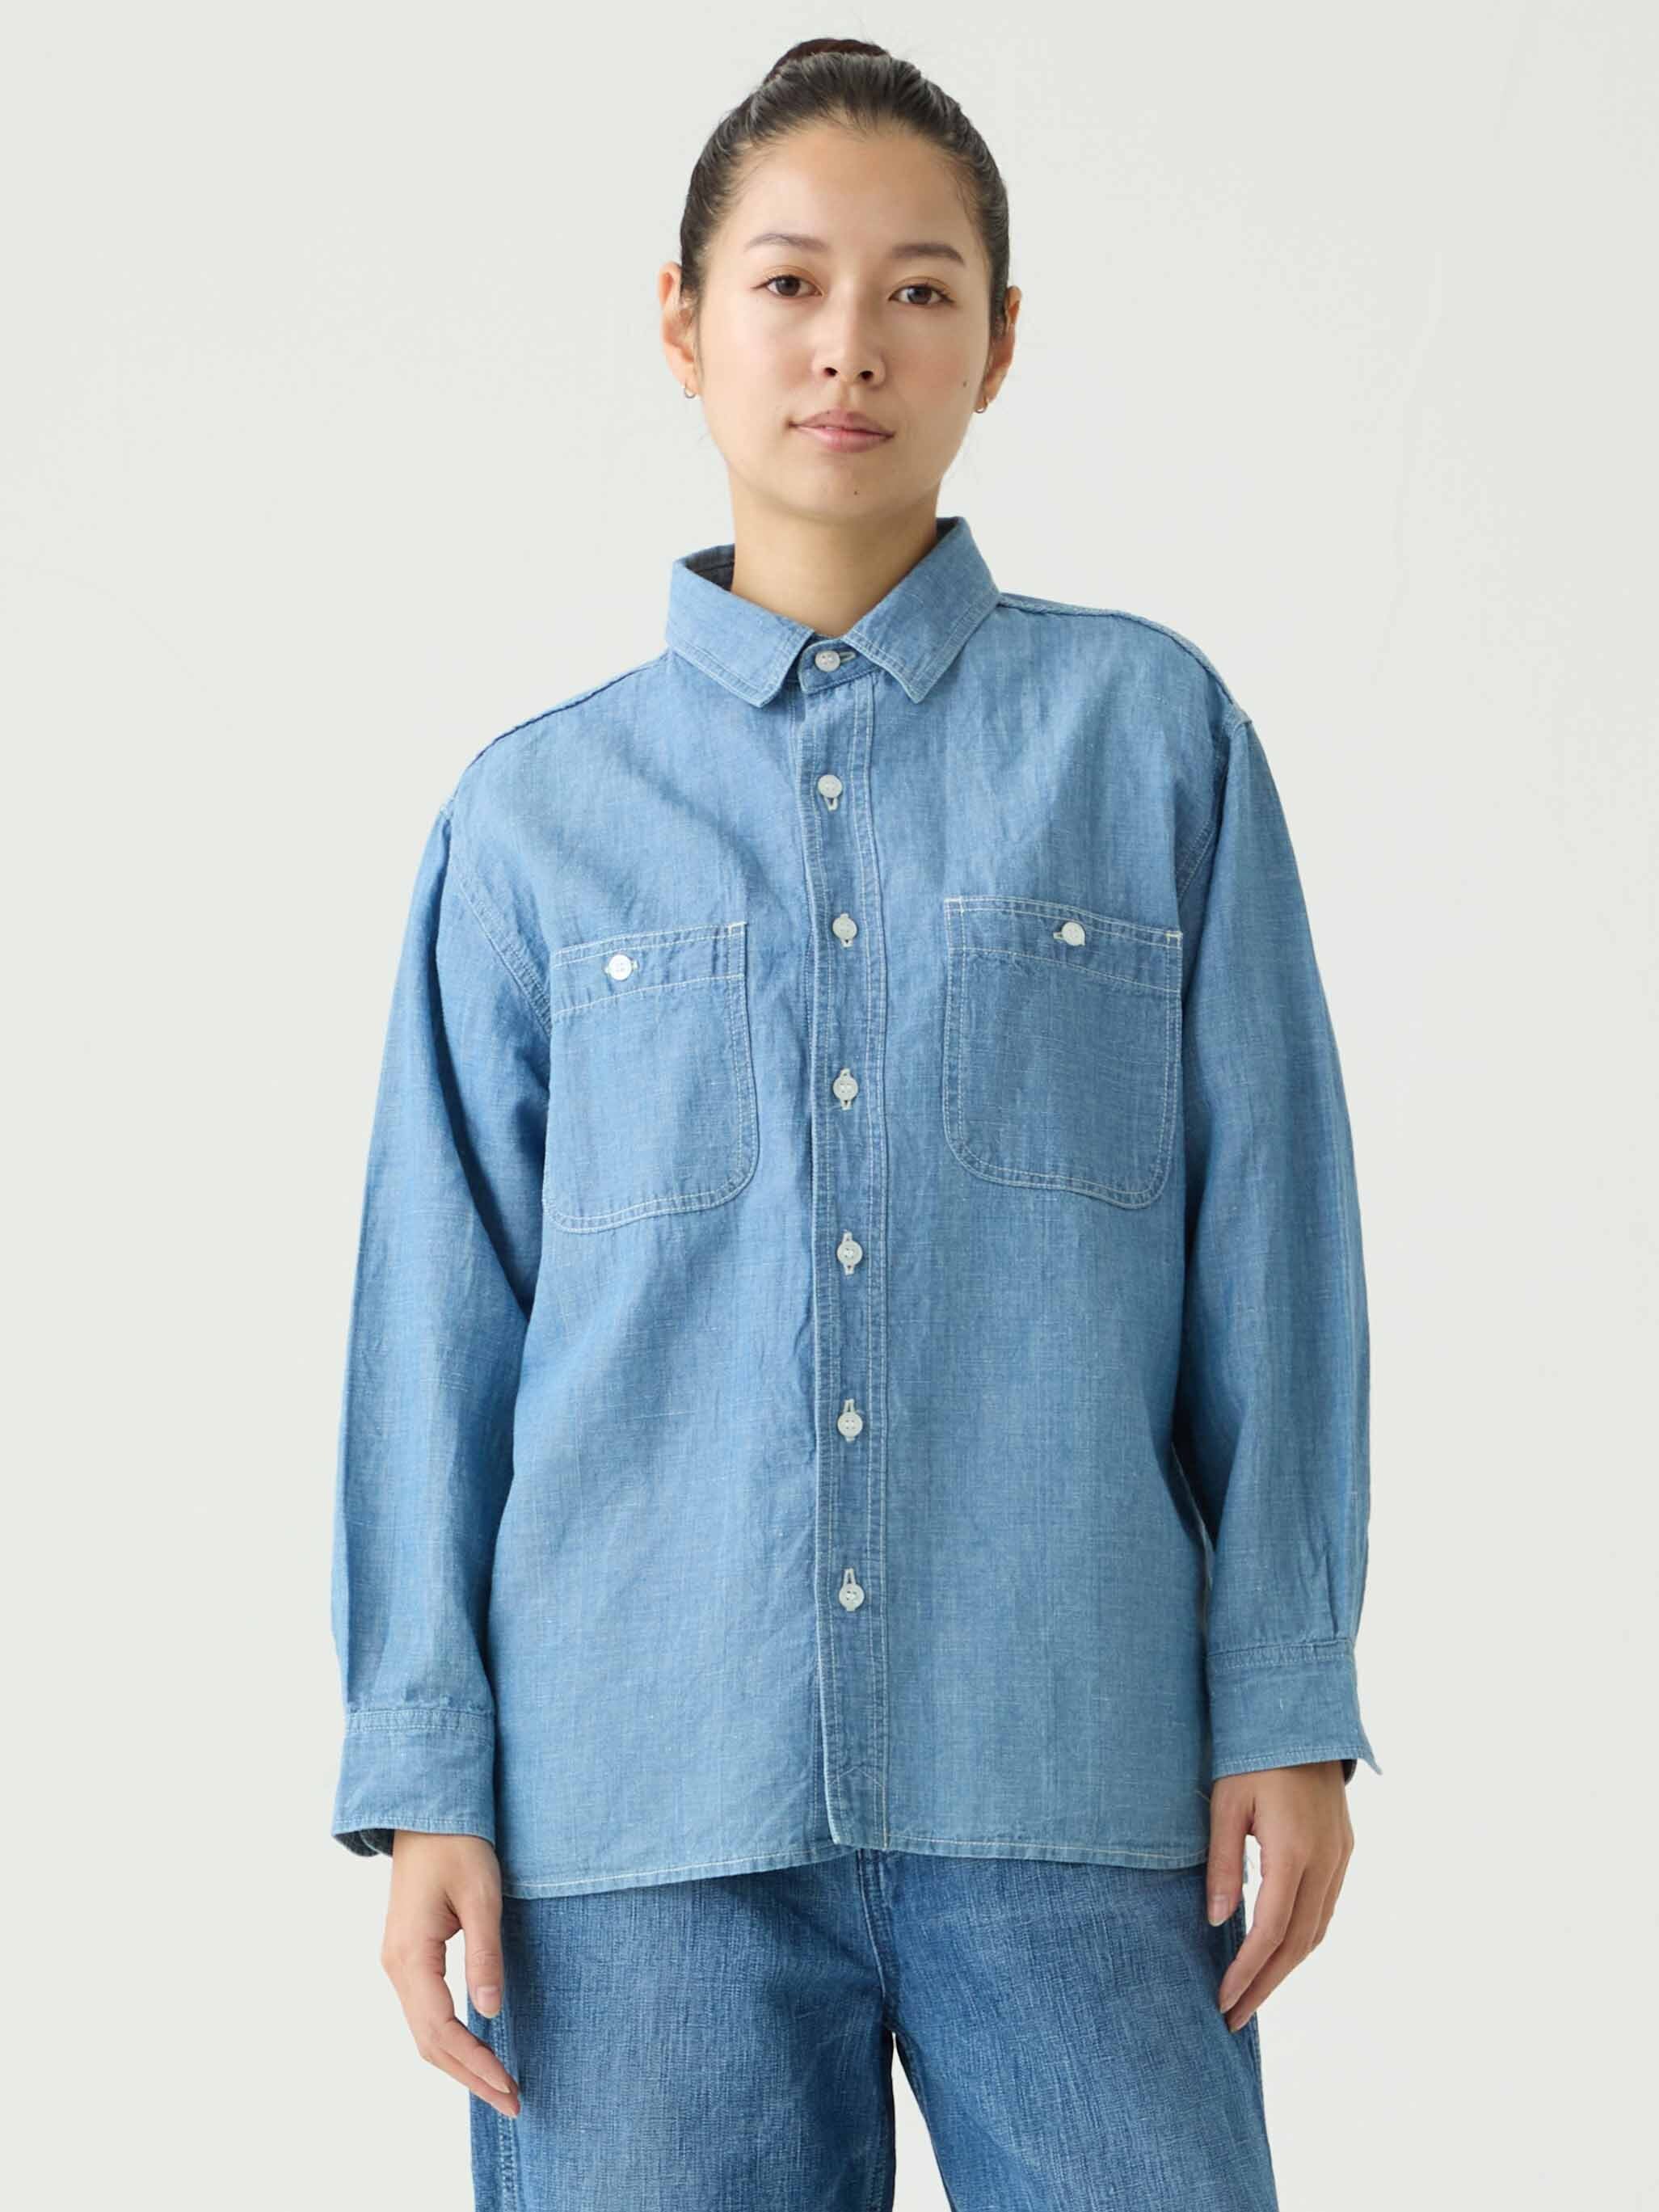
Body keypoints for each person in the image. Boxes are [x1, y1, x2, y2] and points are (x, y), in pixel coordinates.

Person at [329, 36, 1380, 2210]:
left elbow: (1274, 1252)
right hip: (636, 1812)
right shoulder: (533, 823)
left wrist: (1288, 1695)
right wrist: (426, 1768)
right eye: (791, 282)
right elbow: (438, 1327)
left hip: (1078, 1771)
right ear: (681, 321)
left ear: (1000, 340)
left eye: (920, 290)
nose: (849, 346)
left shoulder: (1151, 742)